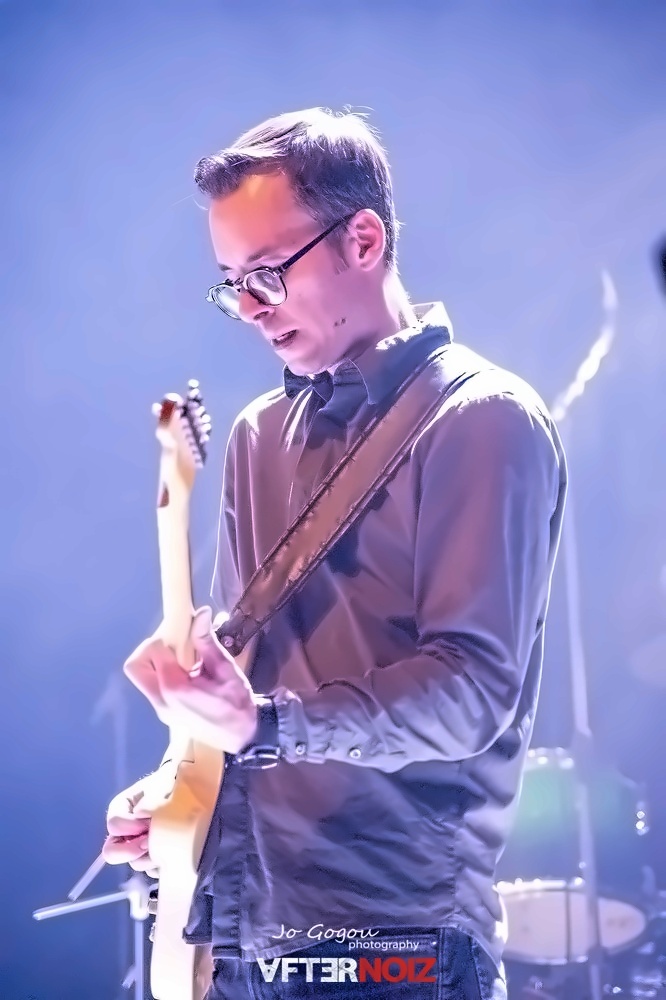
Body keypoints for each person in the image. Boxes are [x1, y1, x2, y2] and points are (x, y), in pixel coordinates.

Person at [103, 107, 567, 1000]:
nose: (249, 308)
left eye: (267, 273)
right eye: (230, 284)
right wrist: (179, 791)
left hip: (397, 943)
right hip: (243, 936)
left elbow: (471, 691)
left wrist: (265, 726)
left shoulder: (482, 418)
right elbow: (245, 689)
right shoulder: (256, 436)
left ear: (364, 239)